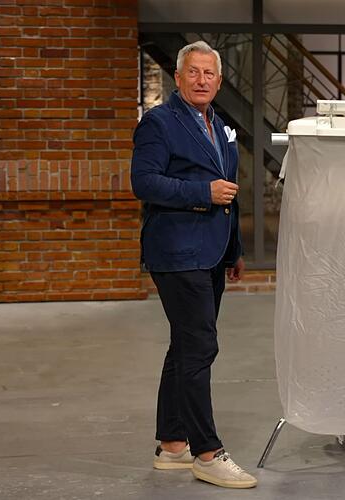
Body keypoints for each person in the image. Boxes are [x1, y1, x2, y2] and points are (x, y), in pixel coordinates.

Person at [130, 40, 256, 489]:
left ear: (219, 82)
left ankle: (172, 445)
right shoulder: (159, 122)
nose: (202, 80)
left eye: (209, 74)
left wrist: (234, 249)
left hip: (211, 252)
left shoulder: (220, 126)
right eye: (194, 72)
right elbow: (144, 182)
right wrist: (202, 193)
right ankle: (207, 453)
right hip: (176, 251)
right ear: (178, 77)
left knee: (185, 346)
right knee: (200, 347)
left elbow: (230, 191)